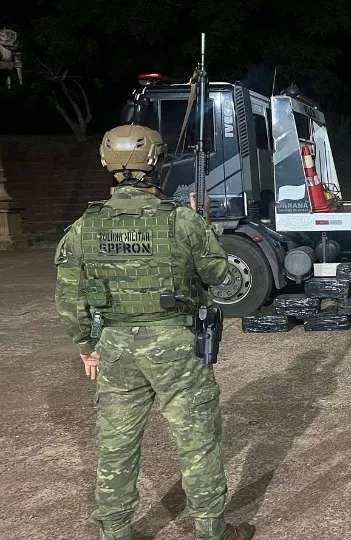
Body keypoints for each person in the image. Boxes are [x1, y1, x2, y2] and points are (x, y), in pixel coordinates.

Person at [54, 124, 253, 540]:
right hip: (176, 345)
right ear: (157, 163)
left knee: (116, 444)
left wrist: (87, 347)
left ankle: (115, 531)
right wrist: (205, 225)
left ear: (107, 164)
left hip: (115, 346)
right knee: (197, 439)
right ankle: (211, 531)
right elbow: (222, 278)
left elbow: (70, 300)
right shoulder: (183, 221)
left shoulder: (83, 228)